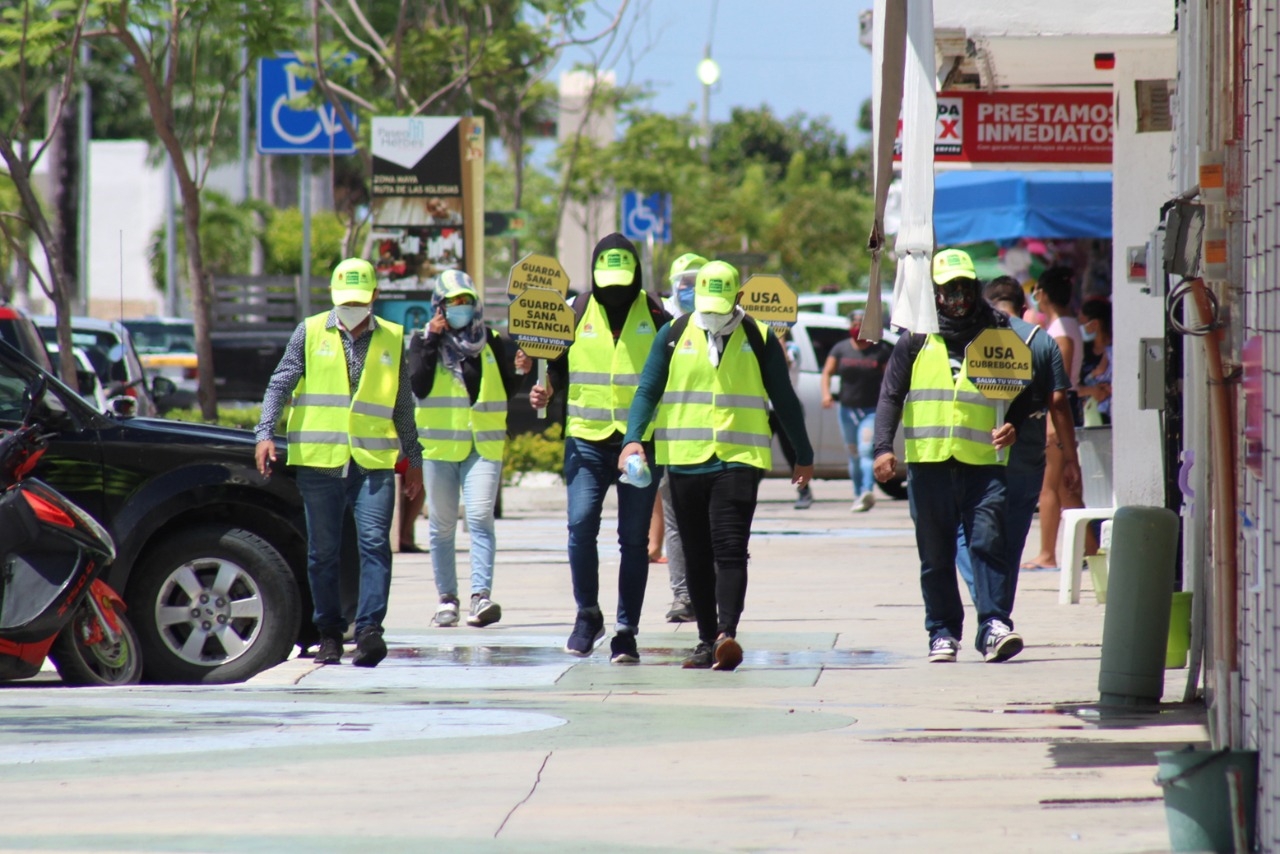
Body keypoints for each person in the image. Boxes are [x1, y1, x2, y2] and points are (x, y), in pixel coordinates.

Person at [621, 260, 814, 671]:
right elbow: (647, 390)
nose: (711, 313)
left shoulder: (758, 336)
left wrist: (803, 453)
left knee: (729, 549)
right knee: (695, 553)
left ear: (737, 299)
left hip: (738, 459)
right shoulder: (672, 335)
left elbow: (784, 398)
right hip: (685, 460)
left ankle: (727, 634)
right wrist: (633, 438)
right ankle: (706, 640)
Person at [254, 257, 424, 668]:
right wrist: (264, 433)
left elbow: (402, 402)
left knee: (375, 547)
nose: (352, 307)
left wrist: (414, 458)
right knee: (323, 553)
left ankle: (369, 631)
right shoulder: (309, 332)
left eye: (359, 300)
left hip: (373, 462)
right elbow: (281, 383)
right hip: (320, 462)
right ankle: (329, 633)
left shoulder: (391, 338)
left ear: (374, 297)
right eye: (345, 300)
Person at [872, 249, 1035, 664]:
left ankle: (994, 625)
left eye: (965, 286)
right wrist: (882, 449)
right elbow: (891, 395)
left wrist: (1014, 421)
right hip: (929, 462)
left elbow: (1023, 390)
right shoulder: (916, 338)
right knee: (936, 553)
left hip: (984, 460)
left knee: (987, 543)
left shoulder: (1000, 331)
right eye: (949, 289)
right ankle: (942, 632)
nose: (958, 295)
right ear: (935, 293)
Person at [529, 233, 670, 663]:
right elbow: (553, 367)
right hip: (586, 441)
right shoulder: (573, 311)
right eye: (606, 279)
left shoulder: (656, 313)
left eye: (621, 280)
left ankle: (626, 629)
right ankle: (587, 614)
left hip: (638, 445)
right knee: (580, 526)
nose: (614, 288)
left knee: (634, 540)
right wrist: (544, 390)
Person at [407, 270, 524, 629]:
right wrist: (432, 340)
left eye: (466, 301)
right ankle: (447, 599)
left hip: (483, 443)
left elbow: (504, 388)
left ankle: (480, 597)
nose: (461, 308)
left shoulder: (490, 340)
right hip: (441, 446)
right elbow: (420, 385)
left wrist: (520, 372)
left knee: (478, 518)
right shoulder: (421, 341)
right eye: (453, 302)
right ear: (438, 307)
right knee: (442, 526)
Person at [955, 277, 1082, 607]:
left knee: (967, 534)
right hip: (1026, 456)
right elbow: (1057, 402)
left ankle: (989, 606)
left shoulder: (968, 340)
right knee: (1011, 542)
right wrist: (1070, 456)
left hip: (975, 453)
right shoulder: (1041, 341)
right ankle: (997, 611)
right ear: (1024, 308)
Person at [655, 252, 706, 622]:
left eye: (695, 282)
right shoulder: (665, 326)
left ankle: (709, 593)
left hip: (712, 438)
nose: (687, 289)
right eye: (682, 283)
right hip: (671, 438)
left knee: (710, 524)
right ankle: (683, 596)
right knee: (676, 523)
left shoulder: (717, 322)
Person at [1023, 266, 1086, 570]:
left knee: (1050, 485)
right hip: (1065, 405)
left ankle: (1047, 553)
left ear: (1042, 293)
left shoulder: (1060, 331)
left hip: (1057, 409)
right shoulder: (1068, 325)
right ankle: (1091, 548)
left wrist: (1050, 421)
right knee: (1064, 486)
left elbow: (1057, 386)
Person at [820, 309, 892, 512]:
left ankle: (867, 491)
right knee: (853, 454)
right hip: (847, 410)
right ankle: (858, 493)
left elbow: (889, 380)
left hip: (871, 410)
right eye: (854, 323)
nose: (857, 327)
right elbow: (827, 372)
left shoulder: (879, 351)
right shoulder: (841, 349)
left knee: (865, 450)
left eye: (861, 323)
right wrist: (826, 395)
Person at [774, 328, 814, 510]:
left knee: (792, 453)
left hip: (786, 407)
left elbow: (785, 364)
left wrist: (779, 338)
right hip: (765, 409)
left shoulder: (793, 348)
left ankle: (804, 490)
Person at [1077, 298, 1113, 426]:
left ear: (1095, 324)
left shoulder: (1115, 352)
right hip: (1089, 420)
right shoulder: (1081, 352)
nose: (1079, 327)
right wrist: (1092, 390)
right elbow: (1072, 386)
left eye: (1082, 322)